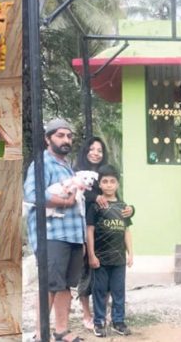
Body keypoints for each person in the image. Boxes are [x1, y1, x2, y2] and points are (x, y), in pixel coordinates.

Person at [24, 118, 84, 342]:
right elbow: (33, 195)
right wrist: (65, 202)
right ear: (48, 138)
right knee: (50, 285)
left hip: (72, 235)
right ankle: (41, 335)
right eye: (60, 135)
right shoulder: (42, 162)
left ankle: (61, 332)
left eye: (69, 136)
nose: (66, 140)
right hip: (52, 235)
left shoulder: (68, 166)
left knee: (66, 286)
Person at [75, 137, 134, 331]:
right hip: (84, 231)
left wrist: (131, 209)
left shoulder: (106, 172)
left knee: (111, 284)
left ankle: (112, 317)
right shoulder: (77, 174)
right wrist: (95, 197)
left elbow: (122, 212)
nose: (95, 152)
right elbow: (79, 195)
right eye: (91, 149)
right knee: (86, 276)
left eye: (99, 150)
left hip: (112, 245)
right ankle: (89, 315)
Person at [86, 164, 134, 337]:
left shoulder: (124, 207)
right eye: (104, 181)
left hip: (119, 259)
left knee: (119, 292)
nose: (108, 185)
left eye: (112, 181)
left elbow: (126, 231)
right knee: (99, 291)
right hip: (100, 259)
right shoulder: (96, 206)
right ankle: (99, 323)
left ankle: (118, 322)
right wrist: (91, 255)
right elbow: (89, 230)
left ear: (117, 185)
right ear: (99, 184)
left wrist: (131, 254)